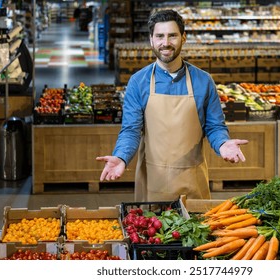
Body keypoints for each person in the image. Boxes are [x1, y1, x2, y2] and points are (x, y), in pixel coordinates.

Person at [96, 9, 248, 202]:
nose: (165, 43)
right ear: (151, 39)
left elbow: (214, 126)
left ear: (183, 38)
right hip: (153, 180)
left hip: (192, 179)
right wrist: (121, 157)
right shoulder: (138, 82)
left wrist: (222, 143)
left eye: (172, 36)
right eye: (159, 36)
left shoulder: (203, 81)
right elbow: (131, 130)